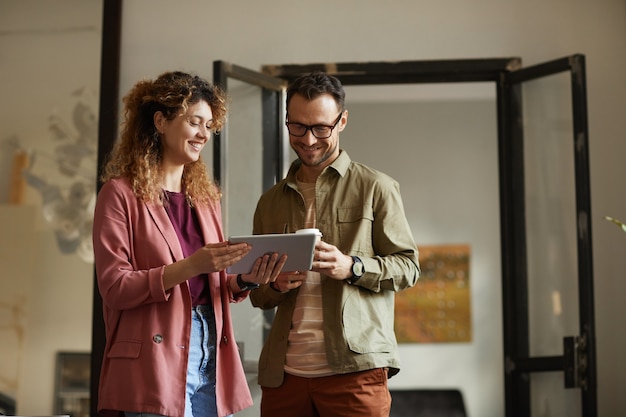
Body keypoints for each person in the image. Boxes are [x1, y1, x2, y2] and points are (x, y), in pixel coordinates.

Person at [92, 71, 286, 417]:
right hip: (154, 360)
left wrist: (245, 279)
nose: (203, 134)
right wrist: (191, 265)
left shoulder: (205, 197)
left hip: (213, 349)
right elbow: (115, 287)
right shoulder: (119, 195)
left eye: (209, 126)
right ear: (160, 122)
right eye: (194, 122)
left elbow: (209, 283)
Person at [249, 71, 420, 417]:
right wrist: (275, 284)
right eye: (297, 127)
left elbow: (409, 268)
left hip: (355, 373)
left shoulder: (377, 187)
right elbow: (258, 294)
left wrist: (351, 267)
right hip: (284, 378)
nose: (309, 140)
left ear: (342, 121)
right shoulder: (270, 202)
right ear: (286, 121)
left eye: (321, 128)